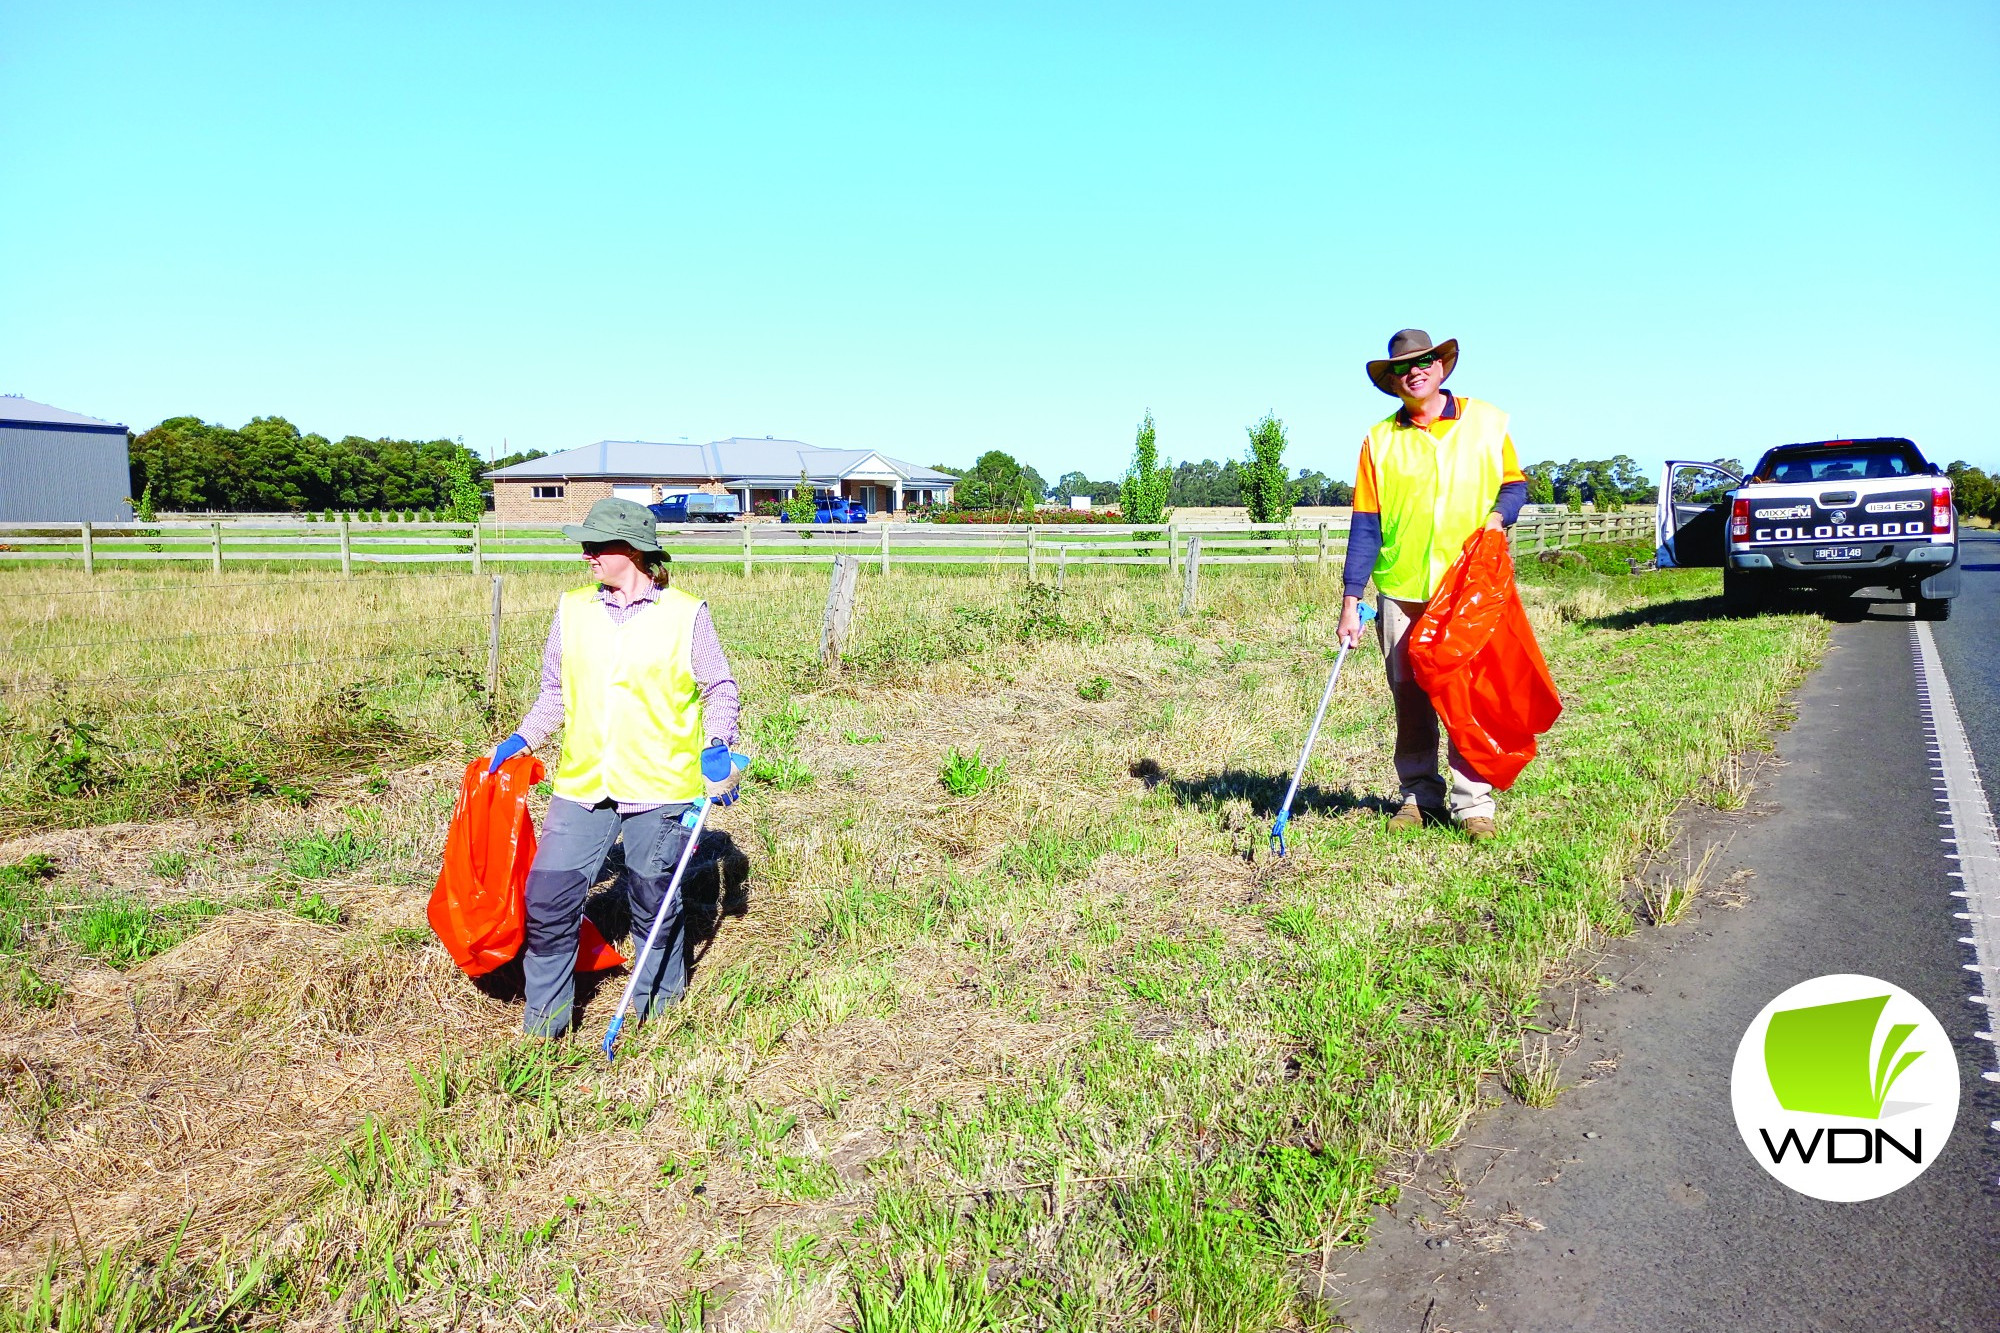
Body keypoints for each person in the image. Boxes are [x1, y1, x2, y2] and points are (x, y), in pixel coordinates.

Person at [488, 497, 745, 1037]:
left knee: (653, 900)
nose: (586, 555)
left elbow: (719, 686)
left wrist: (717, 745)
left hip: (659, 781)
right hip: (584, 781)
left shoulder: (685, 614)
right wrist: (521, 738)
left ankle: (660, 1009)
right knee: (548, 898)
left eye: (596, 544)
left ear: (632, 550)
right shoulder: (571, 610)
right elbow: (554, 694)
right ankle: (545, 1027)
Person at [1337, 330, 1528, 842]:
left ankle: (1473, 804)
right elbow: (1366, 523)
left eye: (1424, 361)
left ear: (1441, 366)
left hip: (1468, 588)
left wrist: (1497, 517)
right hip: (1402, 587)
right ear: (1393, 379)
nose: (1414, 372)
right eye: (1402, 367)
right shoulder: (1378, 440)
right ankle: (1418, 794)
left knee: (1465, 694)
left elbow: (1514, 484)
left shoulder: (1487, 421)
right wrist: (1352, 598)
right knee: (1411, 696)